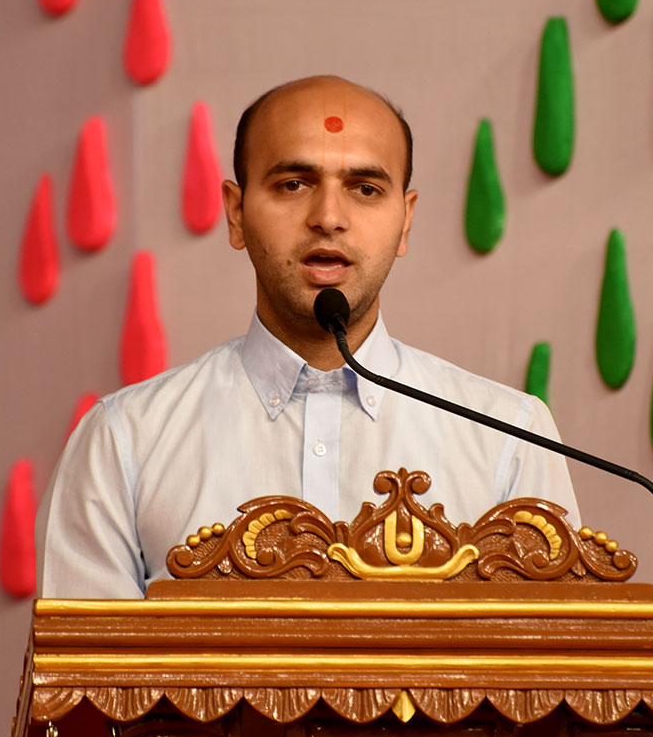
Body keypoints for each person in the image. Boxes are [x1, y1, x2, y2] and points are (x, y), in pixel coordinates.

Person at [36, 76, 579, 599]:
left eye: (365, 189)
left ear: (406, 220)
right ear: (236, 214)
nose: (328, 218)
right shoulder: (124, 441)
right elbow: (86, 663)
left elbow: (553, 659)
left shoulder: (511, 438)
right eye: (293, 184)